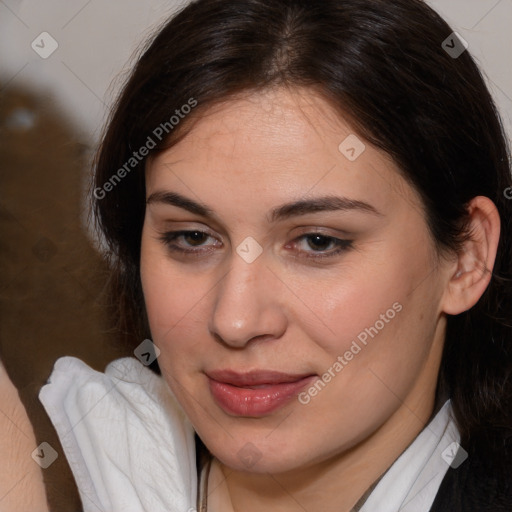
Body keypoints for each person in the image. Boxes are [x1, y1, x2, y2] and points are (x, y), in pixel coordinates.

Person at [39, 0, 512, 511]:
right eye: (192, 238)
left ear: (466, 256)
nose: (236, 321)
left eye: (318, 241)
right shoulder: (46, 471)